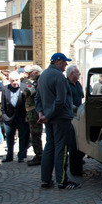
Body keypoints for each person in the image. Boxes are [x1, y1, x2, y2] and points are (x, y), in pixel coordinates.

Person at [35, 52, 80, 189]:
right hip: (60, 118)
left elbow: (37, 98)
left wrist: (42, 114)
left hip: (49, 118)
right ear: (57, 61)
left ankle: (46, 179)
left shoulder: (43, 75)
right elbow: (60, 100)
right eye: (64, 62)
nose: (66, 64)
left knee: (50, 147)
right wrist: (47, 115)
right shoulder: (58, 77)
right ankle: (62, 181)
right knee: (61, 148)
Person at [1, 71, 30, 163]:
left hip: (22, 117)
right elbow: (3, 105)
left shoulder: (25, 87)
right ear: (9, 81)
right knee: (9, 138)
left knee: (23, 137)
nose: (15, 82)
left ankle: (21, 156)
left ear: (19, 80)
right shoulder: (5, 89)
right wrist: (5, 117)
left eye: (16, 80)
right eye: (12, 81)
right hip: (9, 118)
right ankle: (9, 155)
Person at [66, 64, 85, 176]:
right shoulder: (65, 84)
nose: (79, 75)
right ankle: (74, 167)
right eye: (78, 73)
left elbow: (81, 97)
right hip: (69, 115)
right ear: (72, 74)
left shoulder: (77, 84)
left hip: (79, 114)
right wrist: (75, 109)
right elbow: (65, 100)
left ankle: (79, 158)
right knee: (72, 141)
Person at [23, 65, 44, 167]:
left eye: (30, 73)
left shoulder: (37, 83)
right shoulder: (39, 81)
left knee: (35, 134)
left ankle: (39, 155)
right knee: (35, 134)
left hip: (34, 113)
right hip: (34, 112)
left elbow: (26, 93)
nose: (28, 75)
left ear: (35, 73)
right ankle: (39, 154)